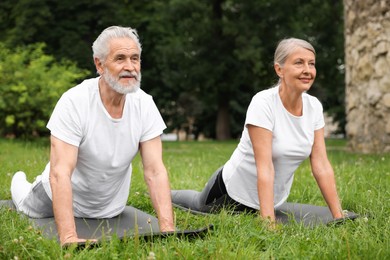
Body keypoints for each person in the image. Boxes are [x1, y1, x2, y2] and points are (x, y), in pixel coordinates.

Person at [10, 25, 175, 246]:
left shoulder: (145, 104)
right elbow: (60, 173)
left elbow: (155, 171)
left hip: (109, 207)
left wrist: (168, 230)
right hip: (50, 197)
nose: (130, 67)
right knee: (23, 200)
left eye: (135, 59)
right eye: (120, 59)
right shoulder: (74, 102)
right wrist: (69, 237)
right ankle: (19, 181)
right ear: (99, 64)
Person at [171, 38, 344, 225]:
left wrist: (338, 217)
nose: (307, 70)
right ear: (279, 69)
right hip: (229, 194)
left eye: (311, 64)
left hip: (271, 200)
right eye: (299, 63)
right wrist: (269, 222)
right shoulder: (263, 103)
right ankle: (164, 193)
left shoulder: (314, 107)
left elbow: (321, 164)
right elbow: (265, 166)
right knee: (195, 203)